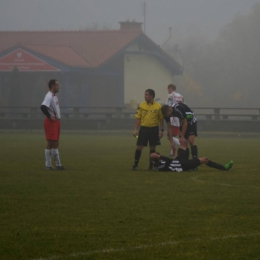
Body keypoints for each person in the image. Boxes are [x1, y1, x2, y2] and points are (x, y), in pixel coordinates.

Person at [132, 89, 164, 170]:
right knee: (139, 147)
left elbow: (161, 119)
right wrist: (135, 129)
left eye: (146, 95)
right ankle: (135, 165)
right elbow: (138, 118)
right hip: (143, 129)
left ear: (152, 96)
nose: (144, 96)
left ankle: (151, 165)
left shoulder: (158, 106)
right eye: (145, 94)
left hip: (154, 129)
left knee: (152, 147)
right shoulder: (142, 105)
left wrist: (161, 130)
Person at [40, 79, 64, 170]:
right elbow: (43, 107)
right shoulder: (49, 96)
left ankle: (57, 164)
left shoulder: (55, 96)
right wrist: (49, 116)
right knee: (50, 142)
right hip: (51, 122)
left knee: (56, 143)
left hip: (56, 121)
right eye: (57, 85)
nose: (59, 86)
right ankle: (48, 165)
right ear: (53, 86)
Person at [150, 149, 233, 172]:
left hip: (180, 162)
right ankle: (223, 168)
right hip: (183, 165)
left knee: (183, 149)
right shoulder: (160, 166)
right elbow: (168, 161)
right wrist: (159, 155)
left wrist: (174, 159)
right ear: (158, 158)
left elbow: (169, 162)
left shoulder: (158, 164)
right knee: (205, 159)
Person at [165, 84, 184, 157]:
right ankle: (172, 152)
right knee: (173, 136)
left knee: (169, 136)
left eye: (168, 89)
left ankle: (182, 144)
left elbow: (168, 107)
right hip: (178, 118)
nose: (168, 91)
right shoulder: (180, 96)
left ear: (170, 88)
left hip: (172, 118)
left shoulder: (170, 95)